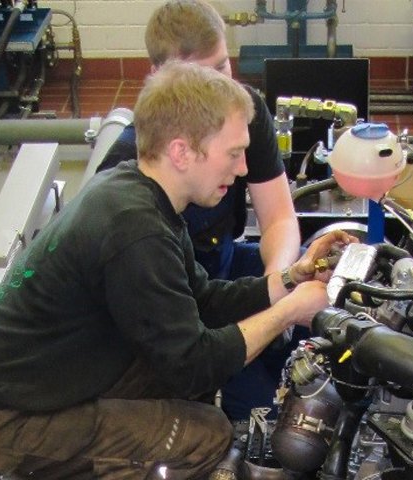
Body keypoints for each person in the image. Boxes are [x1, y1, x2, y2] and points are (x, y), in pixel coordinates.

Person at [0, 62, 355, 479]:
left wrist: (291, 280)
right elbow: (194, 362)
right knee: (206, 434)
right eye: (233, 153)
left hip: (36, 383)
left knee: (189, 394)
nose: (244, 168)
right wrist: (288, 313)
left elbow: (204, 300)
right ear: (181, 152)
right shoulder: (136, 230)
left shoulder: (140, 193)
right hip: (7, 420)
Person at [98, 0, 303, 422]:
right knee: (268, 419)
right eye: (199, 76)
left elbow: (280, 218)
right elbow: (181, 345)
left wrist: (278, 283)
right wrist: (275, 314)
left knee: (324, 294)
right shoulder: (127, 183)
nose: (216, 90)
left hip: (219, 271)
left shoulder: (243, 112)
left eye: (222, 68)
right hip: (172, 306)